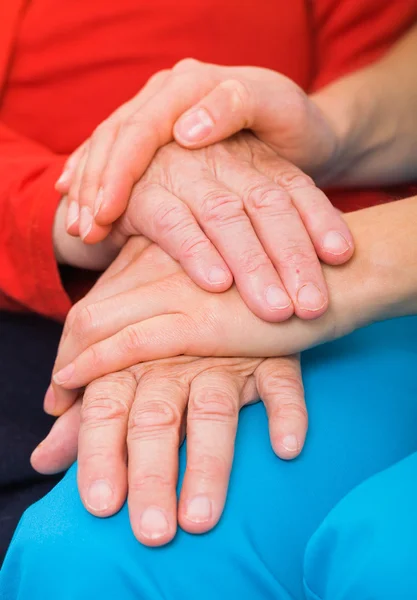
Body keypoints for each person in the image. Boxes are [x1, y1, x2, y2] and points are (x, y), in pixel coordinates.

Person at [0, 1, 417, 599]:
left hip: (314, 245)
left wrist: (268, 258)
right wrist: (105, 206)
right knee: (87, 564)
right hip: (89, 272)